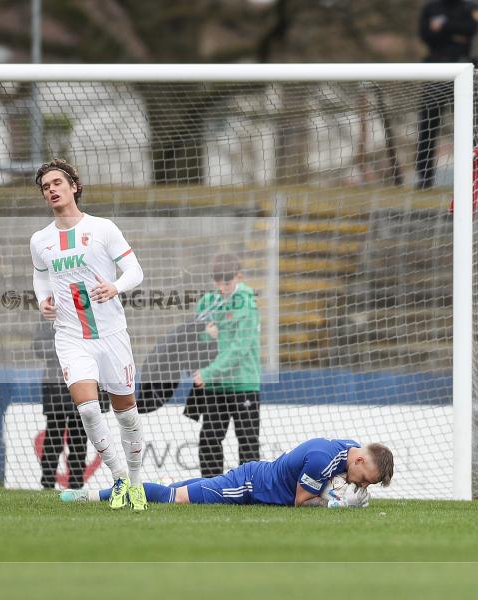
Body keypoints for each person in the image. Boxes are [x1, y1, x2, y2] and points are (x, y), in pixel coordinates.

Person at [29, 158, 148, 510]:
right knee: (89, 411)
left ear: (74, 186)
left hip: (111, 335)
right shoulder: (40, 240)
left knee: (126, 413)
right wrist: (42, 300)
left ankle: (137, 482)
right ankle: (119, 478)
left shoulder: (102, 228)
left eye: (57, 183)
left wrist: (115, 286)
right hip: (71, 337)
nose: (51, 190)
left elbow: (135, 270)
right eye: (45, 187)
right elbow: (39, 275)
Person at [61, 438, 394, 508]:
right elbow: (301, 501)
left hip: (254, 477)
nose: (361, 485)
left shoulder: (348, 449)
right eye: (365, 480)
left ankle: (90, 494)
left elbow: (326, 484)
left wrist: (336, 493)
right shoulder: (323, 459)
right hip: (248, 486)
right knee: (175, 498)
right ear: (359, 461)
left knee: (179, 489)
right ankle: (92, 495)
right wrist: (338, 504)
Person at [186, 253, 261, 478]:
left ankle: (250, 489)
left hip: (243, 384)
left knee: (247, 441)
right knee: (209, 439)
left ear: (239, 277)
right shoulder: (207, 302)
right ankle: (210, 489)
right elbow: (194, 336)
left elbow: (239, 348)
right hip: (215, 386)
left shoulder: (247, 304)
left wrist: (208, 372)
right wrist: (206, 335)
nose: (222, 287)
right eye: (217, 282)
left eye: (226, 282)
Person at [415, 0, 478, 189]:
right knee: (428, 125)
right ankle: (424, 176)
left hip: (462, 71)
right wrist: (455, 34)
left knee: (466, 126)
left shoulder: (470, 8)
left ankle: (469, 175)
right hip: (435, 71)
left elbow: (471, 29)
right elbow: (426, 35)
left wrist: (443, 26)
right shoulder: (431, 8)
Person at [33, 318, 88, 489]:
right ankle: (48, 482)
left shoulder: (85, 315)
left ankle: (76, 484)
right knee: (53, 437)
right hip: (55, 387)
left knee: (79, 438)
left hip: (81, 381)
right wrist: (66, 344)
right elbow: (39, 347)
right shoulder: (49, 316)